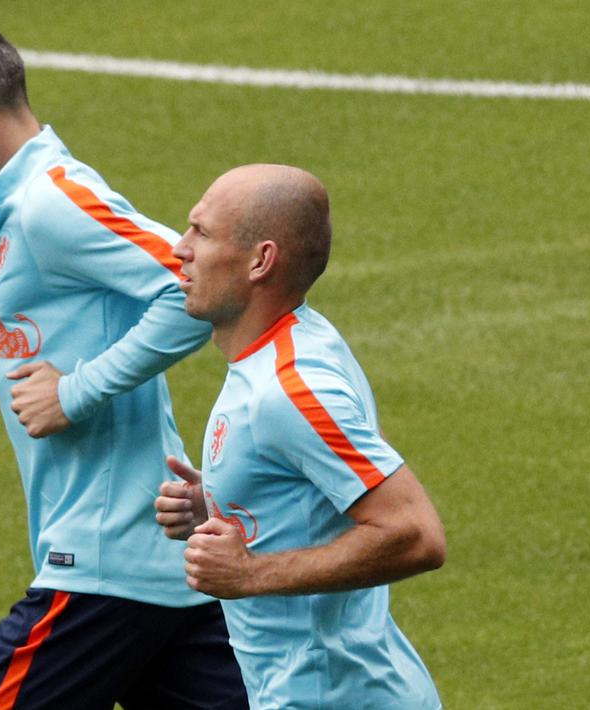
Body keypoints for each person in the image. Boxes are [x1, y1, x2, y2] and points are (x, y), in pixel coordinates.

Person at [0, 11, 247, 710]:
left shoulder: (52, 203)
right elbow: (22, 373)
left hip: (101, 568)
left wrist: (75, 393)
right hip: (154, 573)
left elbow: (194, 291)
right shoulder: (11, 211)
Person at [154, 164, 447, 709]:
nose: (179, 249)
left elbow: (416, 534)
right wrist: (219, 503)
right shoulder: (291, 345)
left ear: (260, 261)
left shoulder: (287, 391)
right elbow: (309, 494)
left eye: (202, 232)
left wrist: (249, 573)